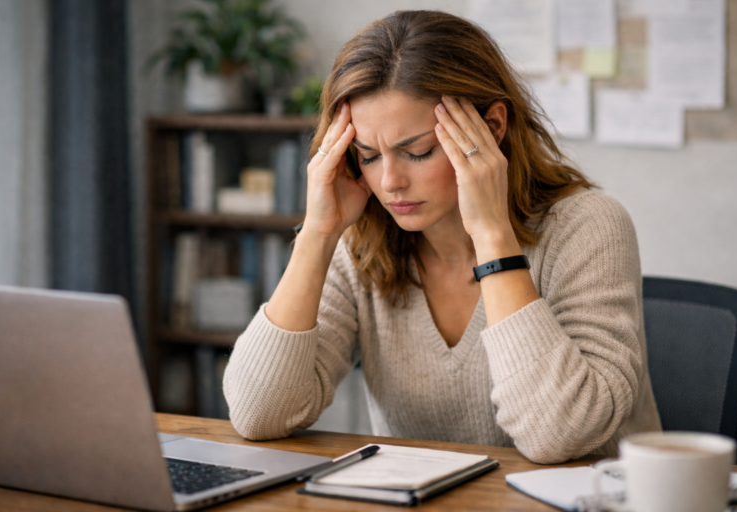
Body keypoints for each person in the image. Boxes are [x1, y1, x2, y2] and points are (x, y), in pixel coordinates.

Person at [223, 10, 661, 464]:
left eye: (417, 151)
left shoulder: (587, 227)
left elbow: (559, 436)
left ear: (491, 127)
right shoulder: (362, 241)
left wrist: (492, 234)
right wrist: (317, 234)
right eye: (368, 156)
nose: (390, 181)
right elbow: (258, 415)